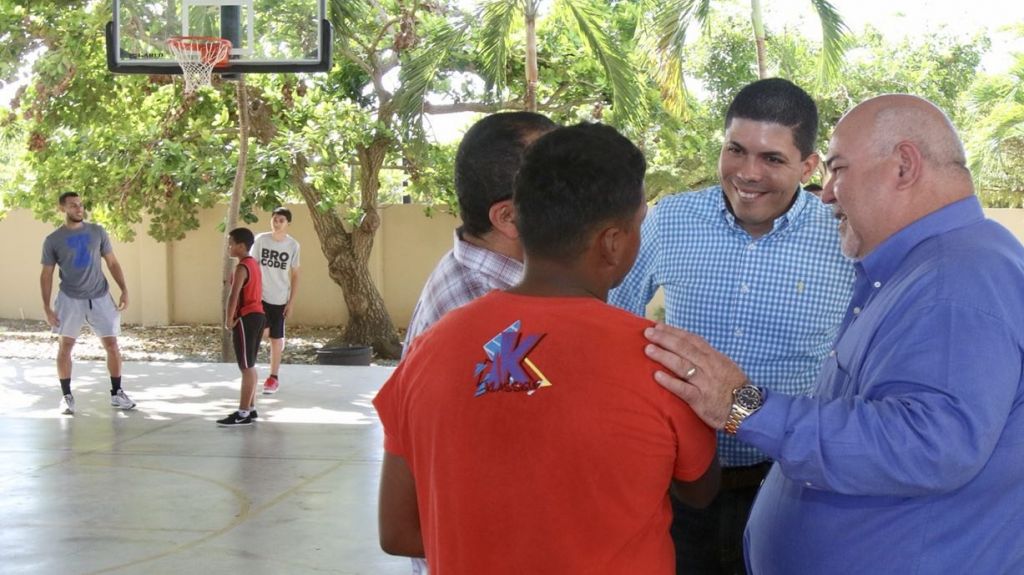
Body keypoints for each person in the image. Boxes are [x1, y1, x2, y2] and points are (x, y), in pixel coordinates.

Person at [644, 94, 1024, 573]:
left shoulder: (957, 279)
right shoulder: (925, 268)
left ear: (903, 166)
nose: (825, 193)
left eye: (838, 169)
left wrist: (741, 404)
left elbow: (929, 445)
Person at [374, 123, 720, 574]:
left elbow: (396, 530)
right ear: (613, 244)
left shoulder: (428, 350)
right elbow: (702, 489)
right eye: (640, 224)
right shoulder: (661, 359)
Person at [608, 78, 854, 574]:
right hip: (680, 486)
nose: (747, 173)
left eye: (772, 159)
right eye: (736, 150)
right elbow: (613, 318)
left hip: (791, 488)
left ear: (808, 166)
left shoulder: (842, 238)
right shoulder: (671, 219)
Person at [403, 111, 557, 352]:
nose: (579, 193)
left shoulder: (485, 277)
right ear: (508, 217)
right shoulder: (490, 315)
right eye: (563, 183)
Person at [40, 192, 136, 415]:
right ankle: (66, 396)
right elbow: (46, 274)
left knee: (112, 345)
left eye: (80, 205)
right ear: (62, 209)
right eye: (73, 205)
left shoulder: (97, 232)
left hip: (100, 296)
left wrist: (124, 290)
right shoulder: (53, 240)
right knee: (66, 347)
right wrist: (46, 307)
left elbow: (112, 262)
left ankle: (117, 393)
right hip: (70, 298)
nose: (79, 209)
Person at [218, 227, 266, 427]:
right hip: (257, 316)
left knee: (246, 367)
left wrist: (229, 319)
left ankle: (243, 412)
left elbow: (234, 295)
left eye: (231, 243)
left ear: (241, 245)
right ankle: (251, 408)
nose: (229, 247)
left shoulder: (242, 268)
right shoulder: (253, 264)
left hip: (246, 317)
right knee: (250, 364)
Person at [252, 206, 300, 395]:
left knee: (276, 339)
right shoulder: (261, 241)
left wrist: (291, 301)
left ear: (287, 223)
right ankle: (252, 371)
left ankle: (273, 377)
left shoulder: (293, 245)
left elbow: (296, 274)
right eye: (275, 219)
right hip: (260, 296)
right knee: (260, 331)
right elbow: (252, 266)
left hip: (280, 297)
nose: (277, 222)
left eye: (281, 220)